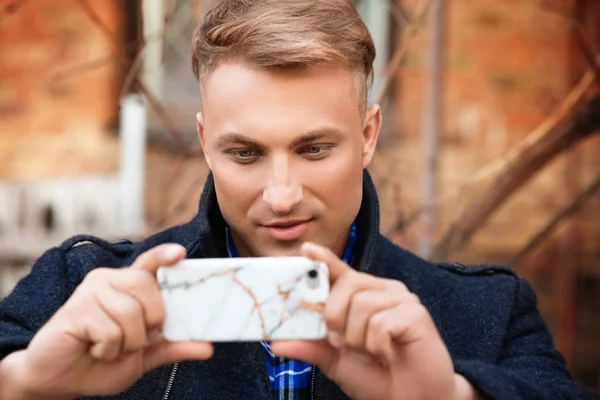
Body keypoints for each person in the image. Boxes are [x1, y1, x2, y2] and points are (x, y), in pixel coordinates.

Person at [0, 0, 597, 399]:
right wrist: (24, 383)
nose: (282, 196)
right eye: (245, 154)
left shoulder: (488, 313)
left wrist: (452, 396)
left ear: (367, 136)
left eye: (313, 149)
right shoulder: (84, 286)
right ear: (205, 143)